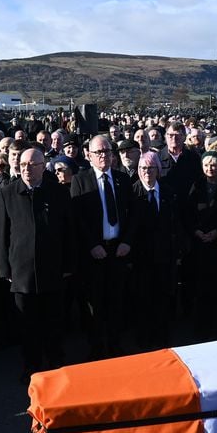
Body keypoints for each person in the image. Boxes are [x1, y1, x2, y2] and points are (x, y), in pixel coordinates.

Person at [0, 148, 75, 383]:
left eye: (32, 164)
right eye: (22, 165)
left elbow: (69, 232)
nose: (27, 169)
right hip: (21, 272)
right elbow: (1, 235)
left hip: (53, 268)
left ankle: (56, 361)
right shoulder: (8, 193)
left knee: (54, 320)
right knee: (27, 324)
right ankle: (31, 365)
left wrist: (69, 264)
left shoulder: (58, 193)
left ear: (43, 166)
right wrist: (4, 268)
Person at [69, 134, 137, 358]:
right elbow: (77, 218)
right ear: (89, 155)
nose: (103, 156)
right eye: (98, 152)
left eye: (107, 151)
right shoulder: (81, 180)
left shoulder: (122, 179)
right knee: (94, 304)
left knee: (117, 301)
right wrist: (92, 245)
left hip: (118, 250)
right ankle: (97, 347)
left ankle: (115, 344)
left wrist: (126, 241)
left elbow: (132, 215)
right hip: (94, 253)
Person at [130, 151, 181, 350]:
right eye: (143, 168)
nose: (147, 172)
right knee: (143, 301)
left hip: (165, 257)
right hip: (141, 259)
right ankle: (144, 342)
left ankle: (163, 340)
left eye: (151, 168)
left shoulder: (168, 192)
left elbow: (175, 223)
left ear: (158, 170)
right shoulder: (132, 192)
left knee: (163, 300)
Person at [185, 151, 217, 340]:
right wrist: (196, 231)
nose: (210, 169)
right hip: (199, 242)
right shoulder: (196, 184)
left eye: (214, 165)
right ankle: (201, 328)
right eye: (206, 165)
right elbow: (187, 212)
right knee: (200, 287)